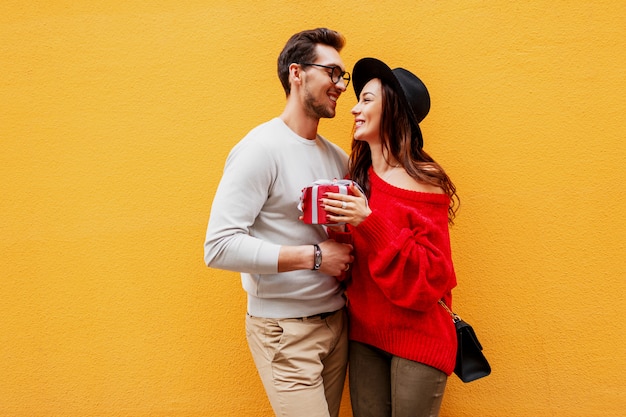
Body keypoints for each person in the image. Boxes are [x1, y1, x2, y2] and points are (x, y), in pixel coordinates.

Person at [204, 28, 354, 417]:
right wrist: (316, 257)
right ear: (297, 73)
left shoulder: (337, 157)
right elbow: (219, 246)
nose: (340, 85)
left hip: (337, 325)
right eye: (331, 72)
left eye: (343, 76)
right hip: (284, 331)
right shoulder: (259, 149)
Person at [321, 57, 460, 417]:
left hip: (419, 337)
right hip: (365, 335)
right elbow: (354, 266)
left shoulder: (425, 182)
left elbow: (431, 278)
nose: (354, 108)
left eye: (367, 100)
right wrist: (336, 238)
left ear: (393, 111)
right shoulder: (358, 178)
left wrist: (369, 221)